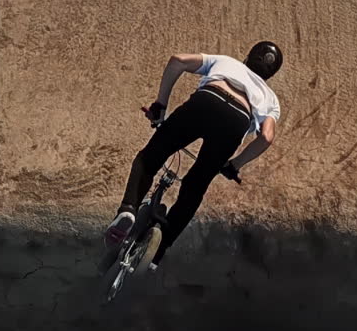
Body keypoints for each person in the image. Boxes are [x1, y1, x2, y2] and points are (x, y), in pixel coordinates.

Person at [105, 41, 284, 269]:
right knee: (194, 187)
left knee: (149, 158)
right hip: (237, 120)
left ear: (248, 57)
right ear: (272, 74)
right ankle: (158, 252)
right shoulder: (270, 98)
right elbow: (267, 137)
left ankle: (128, 210)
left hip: (208, 100)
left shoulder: (226, 61)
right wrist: (234, 165)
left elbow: (178, 60)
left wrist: (160, 105)